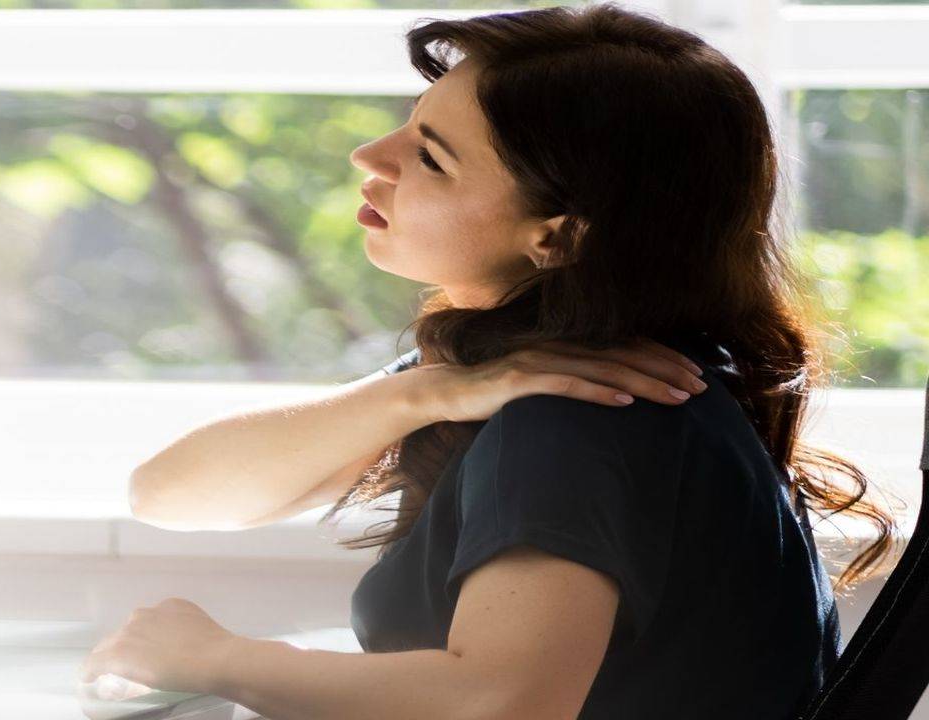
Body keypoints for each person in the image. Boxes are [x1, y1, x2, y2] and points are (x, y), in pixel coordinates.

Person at [79, 4, 898, 718]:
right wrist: (421, 396)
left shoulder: (583, 412)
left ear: (559, 235)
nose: (372, 154)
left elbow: (501, 704)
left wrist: (217, 660)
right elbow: (168, 494)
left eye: (432, 157)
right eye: (410, 120)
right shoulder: (543, 376)